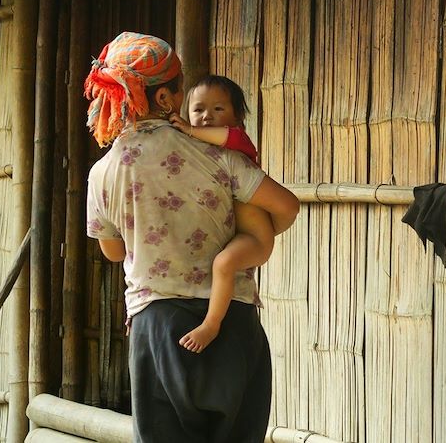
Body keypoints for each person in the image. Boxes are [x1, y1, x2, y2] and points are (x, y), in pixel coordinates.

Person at [85, 31, 300, 442]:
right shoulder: (220, 154)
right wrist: (258, 239)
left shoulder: (103, 173)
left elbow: (112, 251)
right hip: (232, 324)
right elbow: (287, 207)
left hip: (157, 328)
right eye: (180, 87)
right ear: (165, 98)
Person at [168, 75, 274, 353]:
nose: (206, 117)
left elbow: (224, 136)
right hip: (239, 232)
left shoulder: (237, 142)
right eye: (198, 109)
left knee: (223, 264)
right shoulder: (201, 152)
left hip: (253, 236)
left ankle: (211, 325)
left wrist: (188, 131)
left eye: (218, 109)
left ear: (237, 116)